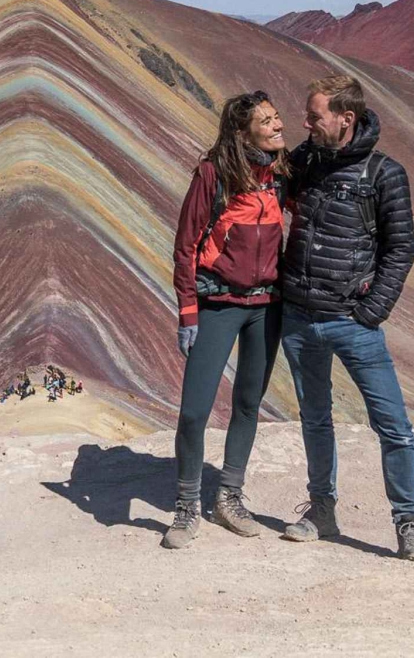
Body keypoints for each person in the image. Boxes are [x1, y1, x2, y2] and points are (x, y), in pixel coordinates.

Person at [277, 74, 414, 563]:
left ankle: (409, 523)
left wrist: (371, 312)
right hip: (299, 317)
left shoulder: (384, 174)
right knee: (314, 420)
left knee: (392, 424)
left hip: (352, 321)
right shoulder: (308, 164)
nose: (306, 124)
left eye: (315, 117)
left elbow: (401, 247)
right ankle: (322, 510)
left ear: (346, 119)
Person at [164, 90, 288, 549]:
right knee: (195, 411)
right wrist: (188, 310)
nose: (278, 126)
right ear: (242, 130)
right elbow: (185, 244)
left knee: (248, 404)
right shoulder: (213, 174)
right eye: (267, 121)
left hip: (266, 306)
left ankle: (229, 497)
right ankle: (186, 505)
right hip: (217, 305)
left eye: (278, 118)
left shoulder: (279, 173)